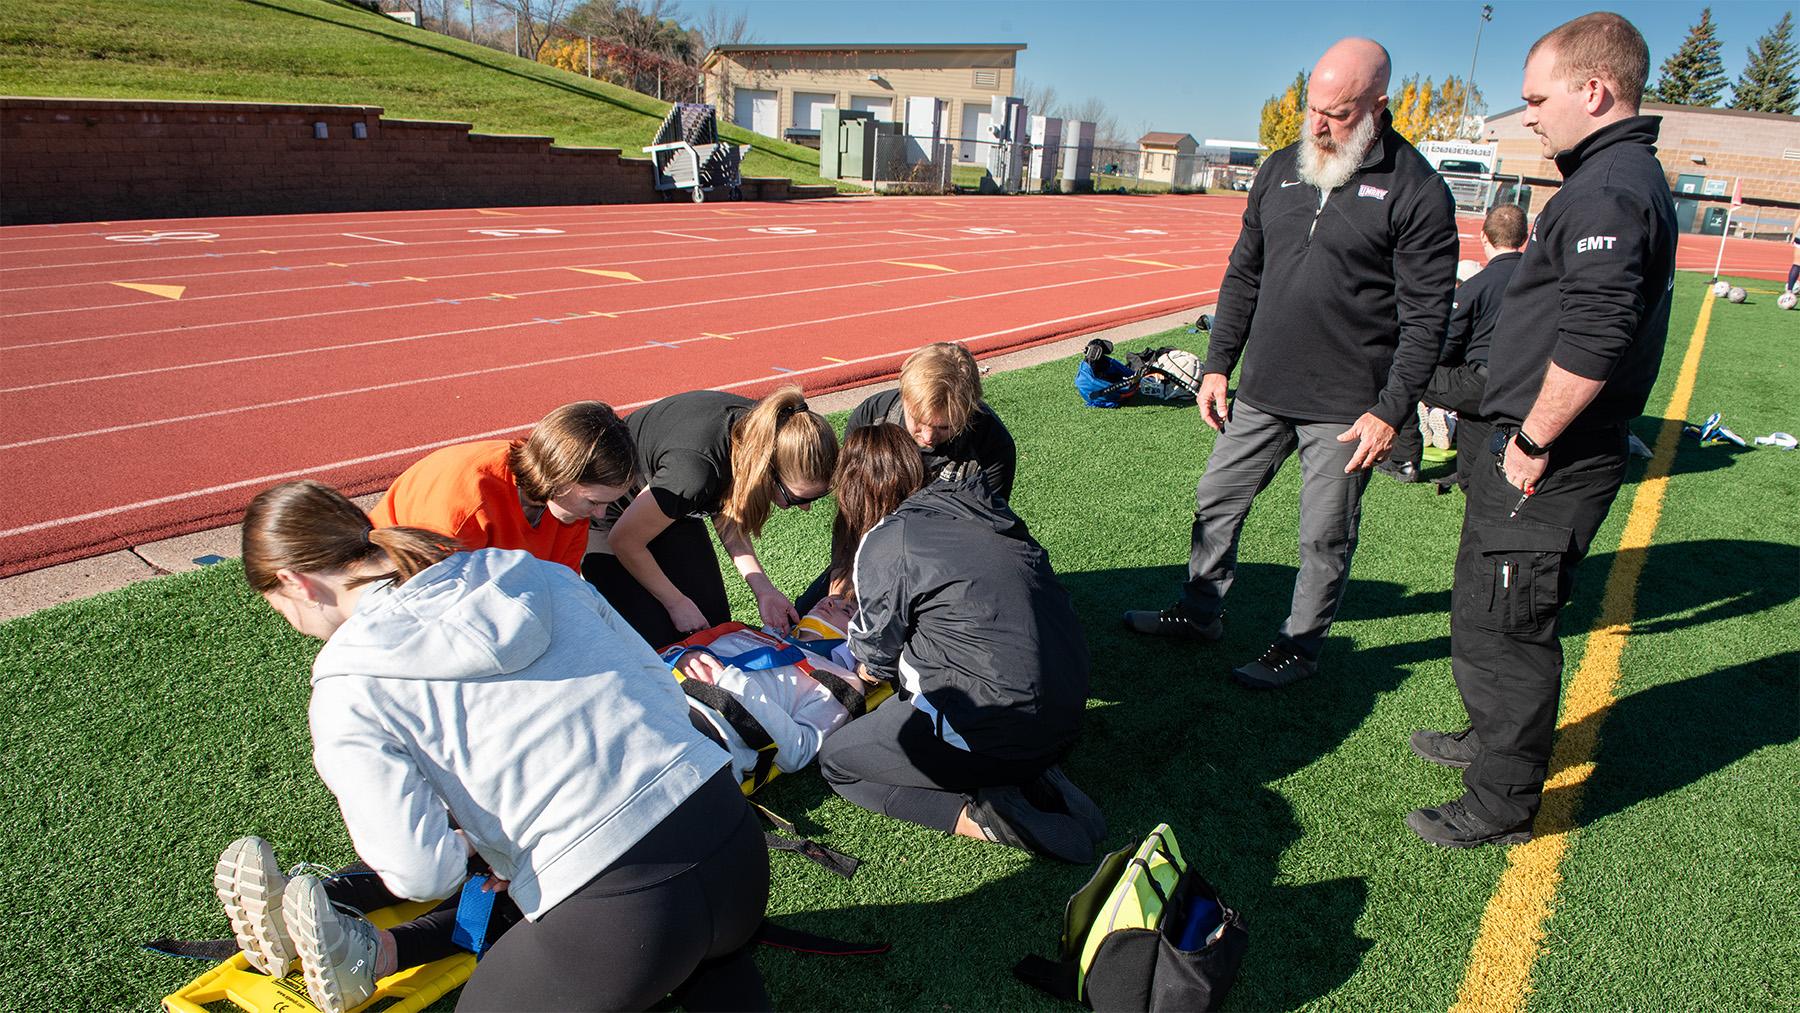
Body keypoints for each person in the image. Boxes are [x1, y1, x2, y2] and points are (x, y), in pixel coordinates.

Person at [232, 480, 770, 1011]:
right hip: (734, 846)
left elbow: (422, 872)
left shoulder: (347, 680)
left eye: (280, 609)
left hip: (622, 917)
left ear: (295, 582)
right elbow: (661, 690)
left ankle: (365, 945)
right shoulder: (532, 573)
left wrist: (498, 841)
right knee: (701, 957)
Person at [1407, 12, 1677, 849]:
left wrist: (1529, 443)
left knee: (1510, 627)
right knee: (1484, 610)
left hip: (1547, 459)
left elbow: (1596, 339)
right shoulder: (1608, 176)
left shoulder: (1609, 189)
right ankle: (1492, 743)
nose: (1528, 114)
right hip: (1527, 446)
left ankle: (1502, 802)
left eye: (1536, 97)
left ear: (1593, 90)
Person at [1122, 37, 1459, 689]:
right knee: (1216, 497)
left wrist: (1391, 411)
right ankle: (1198, 611)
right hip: (1262, 391)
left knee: (1323, 535)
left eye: (1335, 113)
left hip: (1348, 408)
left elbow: (1426, 321)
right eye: (1312, 107)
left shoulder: (1418, 190)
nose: (1317, 124)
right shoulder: (1280, 168)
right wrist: (1219, 363)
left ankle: (1298, 647)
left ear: (1377, 105)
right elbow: (1244, 270)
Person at [817, 424, 1104, 864]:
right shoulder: (983, 504)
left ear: (856, 492)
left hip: (1001, 727)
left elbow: (876, 660)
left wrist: (848, 667)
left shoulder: (888, 539)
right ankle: (1034, 772)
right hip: (1068, 707)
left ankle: (983, 818)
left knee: (839, 762)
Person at [583, 387, 837, 649]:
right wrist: (676, 602)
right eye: (797, 498)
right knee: (660, 648)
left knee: (716, 631)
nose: (805, 509)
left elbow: (726, 512)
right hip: (609, 519)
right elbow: (624, 541)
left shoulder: (765, 432)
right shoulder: (696, 472)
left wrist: (764, 589)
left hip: (670, 507)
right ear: (766, 470)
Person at [370, 401, 635, 573]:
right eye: (593, 502)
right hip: (393, 575)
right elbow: (436, 599)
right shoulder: (468, 503)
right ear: (560, 475)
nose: (601, 514)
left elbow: (559, 587)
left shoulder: (570, 511)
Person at [1382, 204, 1529, 487]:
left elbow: (1448, 345)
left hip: (1482, 382)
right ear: (1523, 238)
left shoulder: (1478, 285)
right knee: (1474, 411)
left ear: (1484, 236)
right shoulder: (1540, 282)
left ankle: (1404, 461)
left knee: (1404, 375)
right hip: (1524, 383)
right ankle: (1471, 474)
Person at [845, 342, 1017, 501]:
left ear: (969, 412)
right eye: (918, 421)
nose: (928, 437)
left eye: (944, 427)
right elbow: (853, 501)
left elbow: (985, 523)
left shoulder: (992, 443)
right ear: (904, 397)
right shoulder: (871, 418)